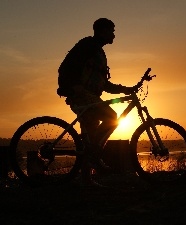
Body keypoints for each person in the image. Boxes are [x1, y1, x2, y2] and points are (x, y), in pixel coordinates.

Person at [57, 18, 139, 185]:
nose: (114, 34)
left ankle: (87, 177)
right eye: (112, 31)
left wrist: (126, 89)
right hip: (81, 94)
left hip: (90, 96)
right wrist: (72, 86)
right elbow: (67, 66)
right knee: (112, 116)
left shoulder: (98, 52)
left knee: (90, 133)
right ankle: (95, 155)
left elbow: (104, 84)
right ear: (102, 31)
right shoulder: (88, 45)